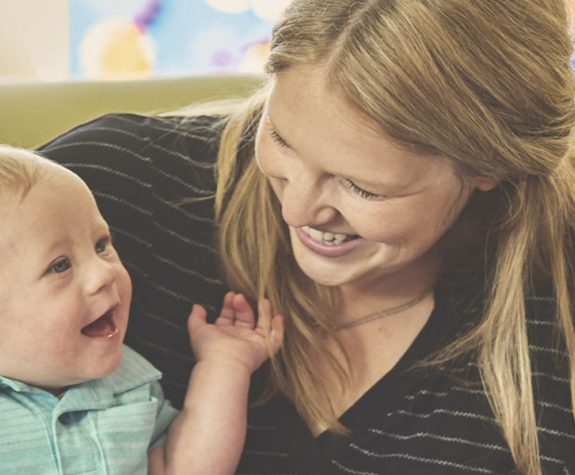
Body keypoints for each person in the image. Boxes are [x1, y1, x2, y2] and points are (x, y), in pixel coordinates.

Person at [38, 0, 575, 474]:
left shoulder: (556, 307)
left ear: (487, 168)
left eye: (361, 187)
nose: (294, 211)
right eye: (281, 139)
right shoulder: (99, 196)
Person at [0, 145, 283, 474]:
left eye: (101, 245)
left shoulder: (131, 386)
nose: (104, 274)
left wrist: (225, 366)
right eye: (60, 265)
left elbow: (183, 467)